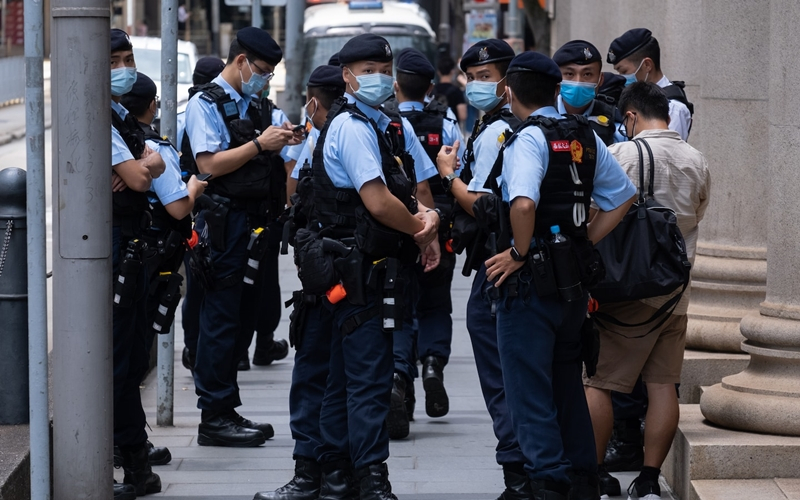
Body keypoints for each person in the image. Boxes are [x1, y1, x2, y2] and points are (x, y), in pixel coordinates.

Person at [453, 50, 636, 499]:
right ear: (556, 90)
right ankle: (582, 480)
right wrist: (582, 240)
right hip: (571, 286)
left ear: (508, 92)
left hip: (529, 287)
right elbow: (623, 197)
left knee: (528, 391)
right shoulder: (584, 135)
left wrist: (519, 251)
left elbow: (522, 204)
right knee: (567, 386)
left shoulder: (526, 138)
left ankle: (547, 483)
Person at [298, 33, 441, 499]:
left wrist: (428, 218)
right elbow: (378, 202)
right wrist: (420, 230)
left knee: (347, 378)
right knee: (367, 380)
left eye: (384, 70)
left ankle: (339, 476)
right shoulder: (354, 127)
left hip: (368, 267)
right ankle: (369, 478)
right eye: (368, 71)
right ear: (347, 77)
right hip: (356, 270)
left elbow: (407, 190)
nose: (378, 78)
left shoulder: (379, 123)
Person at [584, 81, 710, 500]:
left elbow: (595, 213)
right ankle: (650, 480)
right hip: (674, 293)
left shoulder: (619, 153)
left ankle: (596, 476)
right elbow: (696, 216)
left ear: (631, 116)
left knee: (598, 382)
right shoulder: (696, 159)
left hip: (624, 291)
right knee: (662, 385)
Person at [182, 26, 301, 447]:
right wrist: (260, 144)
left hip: (254, 224)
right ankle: (213, 415)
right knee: (219, 318)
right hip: (222, 224)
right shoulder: (204, 104)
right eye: (262, 70)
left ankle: (227, 407)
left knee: (240, 318)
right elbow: (209, 164)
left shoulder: (257, 105)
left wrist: (286, 139)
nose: (265, 79)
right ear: (240, 62)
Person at [435, 38, 533, 500]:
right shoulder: (508, 124)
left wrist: (449, 177)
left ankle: (518, 469)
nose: (476, 86)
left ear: (507, 82)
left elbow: (484, 206)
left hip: (501, 264)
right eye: (471, 78)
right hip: (512, 259)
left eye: (486, 78)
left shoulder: (500, 131)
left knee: (501, 374)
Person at [252, 62, 346, 500]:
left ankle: (310, 473)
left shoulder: (322, 137)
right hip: (370, 273)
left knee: (313, 372)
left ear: (312, 102)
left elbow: (295, 191)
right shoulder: (383, 128)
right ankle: (345, 476)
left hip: (327, 275)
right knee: (356, 379)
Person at [384, 47, 465, 429]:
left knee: (400, 307)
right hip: (439, 224)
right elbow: (457, 170)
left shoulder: (385, 122)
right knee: (435, 303)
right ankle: (432, 364)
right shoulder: (445, 122)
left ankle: (399, 379)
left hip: (398, 225)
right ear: (430, 88)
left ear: (395, 85)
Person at [109, 28, 167, 499]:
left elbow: (152, 168)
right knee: (117, 362)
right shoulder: (99, 117)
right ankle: (131, 460)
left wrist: (139, 168)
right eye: (114, 62)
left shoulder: (121, 116)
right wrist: (139, 168)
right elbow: (143, 175)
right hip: (112, 252)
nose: (124, 69)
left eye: (128, 59)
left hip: (130, 249)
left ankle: (135, 462)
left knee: (127, 361)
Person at [179, 55, 225, 375]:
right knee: (201, 280)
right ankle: (196, 348)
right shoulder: (201, 112)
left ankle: (195, 347)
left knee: (198, 281)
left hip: (196, 209)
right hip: (197, 209)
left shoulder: (185, 114)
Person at [607, 28, 693, 140]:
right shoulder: (634, 97)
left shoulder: (674, 108)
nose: (621, 77)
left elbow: (665, 149)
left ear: (647, 65)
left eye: (624, 71)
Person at [552, 40, 626, 145]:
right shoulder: (541, 115)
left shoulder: (616, 125)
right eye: (569, 74)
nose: (578, 82)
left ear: (600, 79)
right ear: (556, 77)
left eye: (587, 74)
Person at [434, 57, 467, 124]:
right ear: (452, 71)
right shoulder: (457, 91)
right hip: (452, 127)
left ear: (438, 72)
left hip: (434, 127)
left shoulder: (432, 90)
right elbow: (463, 116)